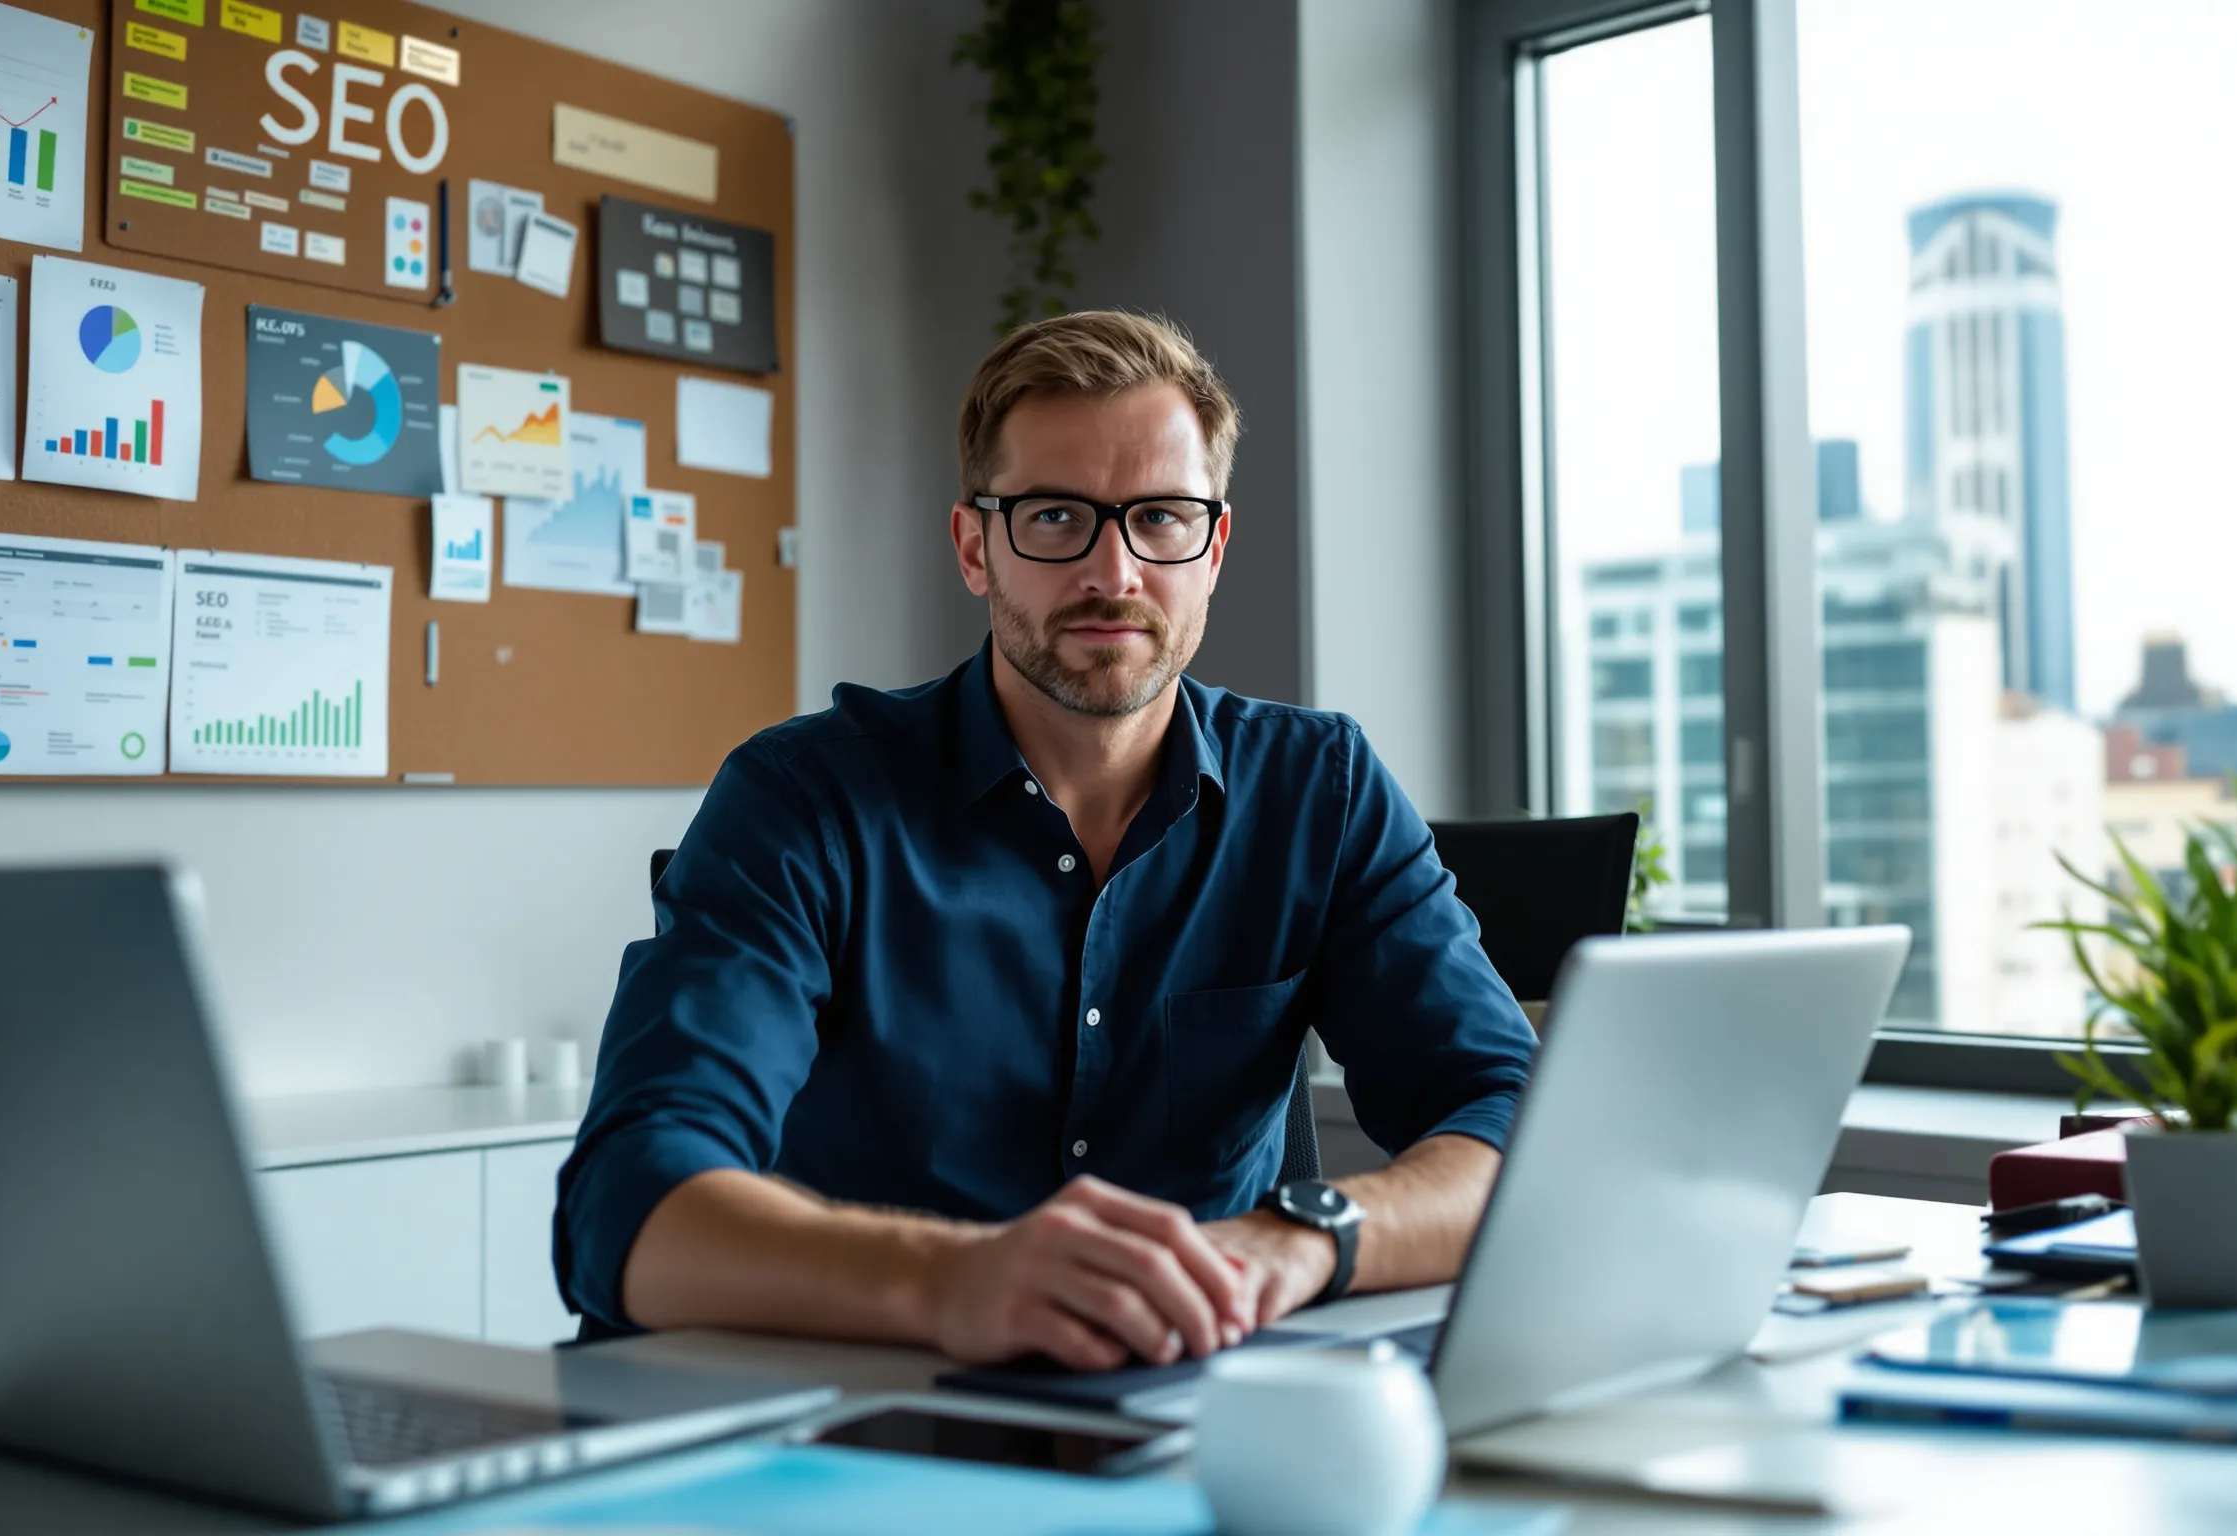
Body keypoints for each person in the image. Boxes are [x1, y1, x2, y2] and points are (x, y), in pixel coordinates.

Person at [554, 310, 1533, 1370]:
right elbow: (628, 1205)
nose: (1113, 572)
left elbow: (1519, 1123)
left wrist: (1301, 1240)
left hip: (1197, 1416)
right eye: (1056, 517)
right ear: (976, 548)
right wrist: (954, 1278)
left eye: (1160, 518)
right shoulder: (804, 799)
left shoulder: (1320, 792)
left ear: (1213, 546)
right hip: (869, 1423)